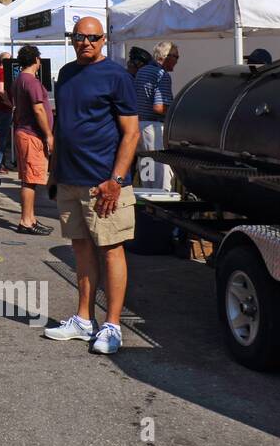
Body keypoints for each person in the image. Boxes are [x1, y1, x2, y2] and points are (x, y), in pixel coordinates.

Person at [43, 17, 140, 355]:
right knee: (81, 249)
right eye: (79, 37)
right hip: (70, 180)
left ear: (103, 39)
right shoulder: (66, 74)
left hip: (103, 184)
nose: (86, 42)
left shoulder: (117, 76)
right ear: (72, 39)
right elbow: (64, 127)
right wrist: (54, 172)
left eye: (93, 37)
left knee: (111, 250)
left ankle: (112, 325)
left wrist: (116, 180)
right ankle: (84, 319)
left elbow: (131, 133)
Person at [11, 45, 54, 235]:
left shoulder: (20, 79)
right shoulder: (32, 82)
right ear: (36, 60)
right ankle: (26, 221)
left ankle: (31, 217)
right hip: (32, 134)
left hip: (24, 132)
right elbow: (38, 109)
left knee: (30, 179)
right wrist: (48, 134)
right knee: (30, 179)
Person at [134, 40, 179, 190]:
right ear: (165, 56)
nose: (177, 61)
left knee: (147, 175)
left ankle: (149, 207)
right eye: (175, 57)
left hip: (139, 127)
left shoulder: (142, 71)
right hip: (154, 128)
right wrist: (176, 113)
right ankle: (163, 207)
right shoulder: (161, 75)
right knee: (162, 176)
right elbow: (159, 108)